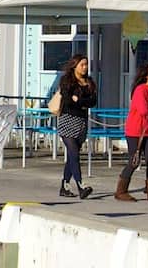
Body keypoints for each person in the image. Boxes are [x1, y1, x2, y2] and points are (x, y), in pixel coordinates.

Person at [116, 62, 148, 203]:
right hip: (135, 131)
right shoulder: (140, 90)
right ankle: (121, 191)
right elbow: (143, 110)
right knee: (134, 161)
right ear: (147, 74)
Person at [49, 55, 96, 200]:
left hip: (81, 122)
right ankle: (81, 185)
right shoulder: (66, 81)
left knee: (72, 156)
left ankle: (64, 185)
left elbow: (93, 101)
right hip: (67, 121)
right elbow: (69, 101)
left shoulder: (89, 82)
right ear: (74, 66)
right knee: (74, 153)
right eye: (82, 64)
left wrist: (80, 101)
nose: (85, 67)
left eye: (86, 64)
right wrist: (80, 102)